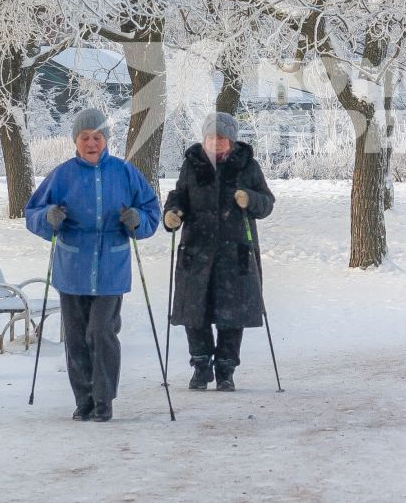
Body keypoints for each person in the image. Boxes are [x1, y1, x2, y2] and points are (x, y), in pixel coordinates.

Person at [23, 109, 160, 422]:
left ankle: (103, 398)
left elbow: (151, 210)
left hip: (112, 265)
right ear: (75, 141)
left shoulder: (125, 173)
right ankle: (83, 399)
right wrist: (48, 217)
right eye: (84, 137)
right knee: (75, 338)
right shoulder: (62, 175)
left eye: (97, 137)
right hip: (72, 266)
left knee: (101, 333)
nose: (91, 142)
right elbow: (33, 211)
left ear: (106, 140)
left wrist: (137, 220)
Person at [161, 113, 275, 392]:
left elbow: (267, 203)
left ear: (232, 141)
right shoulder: (193, 164)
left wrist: (250, 199)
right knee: (194, 311)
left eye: (221, 139)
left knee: (231, 314)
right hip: (197, 250)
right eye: (211, 138)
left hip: (234, 252)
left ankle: (226, 369)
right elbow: (179, 196)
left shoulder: (247, 166)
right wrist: (172, 214)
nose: (216, 143)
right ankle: (200, 366)